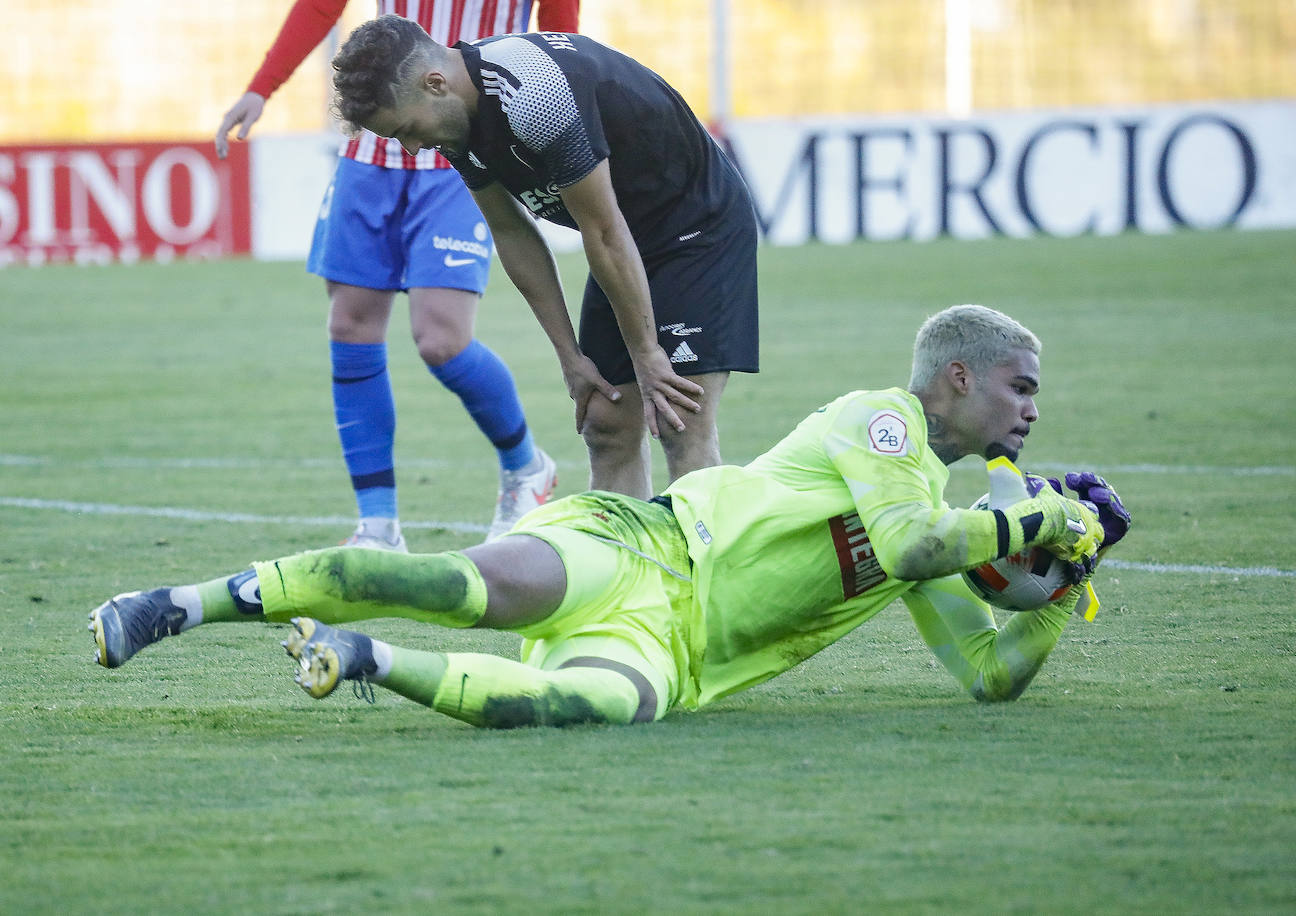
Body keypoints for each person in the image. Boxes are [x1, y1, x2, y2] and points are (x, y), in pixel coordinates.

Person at [89, 304, 1132, 728]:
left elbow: (992, 674)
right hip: (643, 549)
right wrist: (1039, 523)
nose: (1032, 412)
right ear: (958, 378)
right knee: (453, 587)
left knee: (581, 709)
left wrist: (1063, 586)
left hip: (671, 655)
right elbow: (917, 541)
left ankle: (364, 662)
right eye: (1021, 388)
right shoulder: (886, 422)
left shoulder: (941, 525)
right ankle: (169, 606)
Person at [327, 15, 761, 500]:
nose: (411, 147)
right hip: (625, 238)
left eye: (407, 129)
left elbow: (602, 229)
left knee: (678, 417)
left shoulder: (533, 91)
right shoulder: (453, 119)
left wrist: (647, 353)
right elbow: (511, 232)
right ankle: (625, 571)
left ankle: (700, 571)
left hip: (696, 228)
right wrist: (570, 358)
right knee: (605, 421)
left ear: (435, 83)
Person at [214, 1, 581, 546]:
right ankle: (378, 525)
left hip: (463, 147)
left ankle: (526, 465)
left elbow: (557, 34)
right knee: (350, 326)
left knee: (441, 340)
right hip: (375, 147)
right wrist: (261, 87)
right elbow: (320, 6)